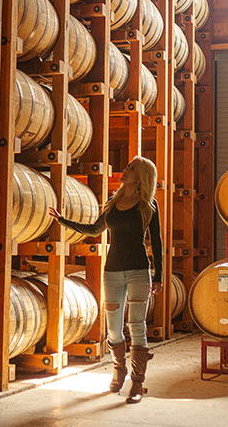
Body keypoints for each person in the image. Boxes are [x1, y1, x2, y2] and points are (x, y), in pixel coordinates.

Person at [48, 156, 163, 404]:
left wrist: (159, 276)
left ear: (141, 176)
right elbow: (93, 229)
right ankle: (118, 371)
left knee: (136, 325)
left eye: (131, 168)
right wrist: (62, 220)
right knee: (112, 327)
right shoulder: (113, 202)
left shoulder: (148, 206)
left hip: (138, 271)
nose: (125, 170)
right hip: (112, 271)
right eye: (128, 166)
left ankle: (137, 383)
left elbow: (157, 243)